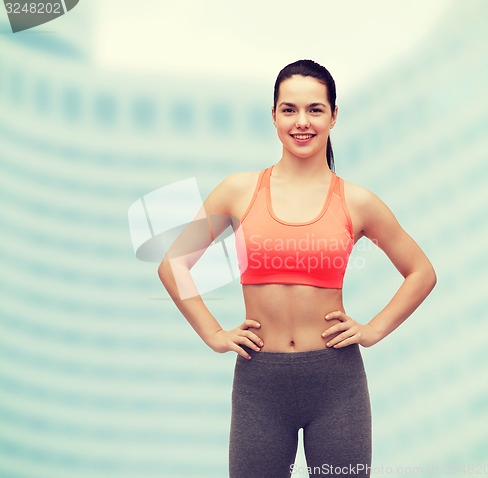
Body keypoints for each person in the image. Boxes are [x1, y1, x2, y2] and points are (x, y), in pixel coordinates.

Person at [158, 59, 436, 478]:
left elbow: (421, 271)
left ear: (334, 115)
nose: (301, 122)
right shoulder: (239, 190)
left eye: (315, 109)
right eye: (289, 109)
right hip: (259, 385)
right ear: (273, 116)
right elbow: (173, 263)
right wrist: (214, 334)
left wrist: (374, 330)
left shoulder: (356, 201)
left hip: (336, 383)